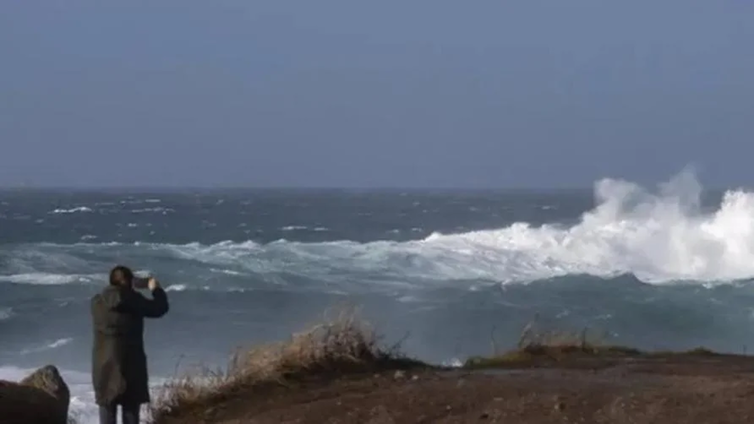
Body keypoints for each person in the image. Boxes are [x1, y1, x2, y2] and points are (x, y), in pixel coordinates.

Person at [91, 265, 169, 424]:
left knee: (107, 409)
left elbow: (115, 296)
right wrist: (155, 288)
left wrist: (130, 286)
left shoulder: (97, 303)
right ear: (128, 281)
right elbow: (160, 308)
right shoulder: (135, 301)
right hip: (131, 365)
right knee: (130, 411)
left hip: (104, 366)